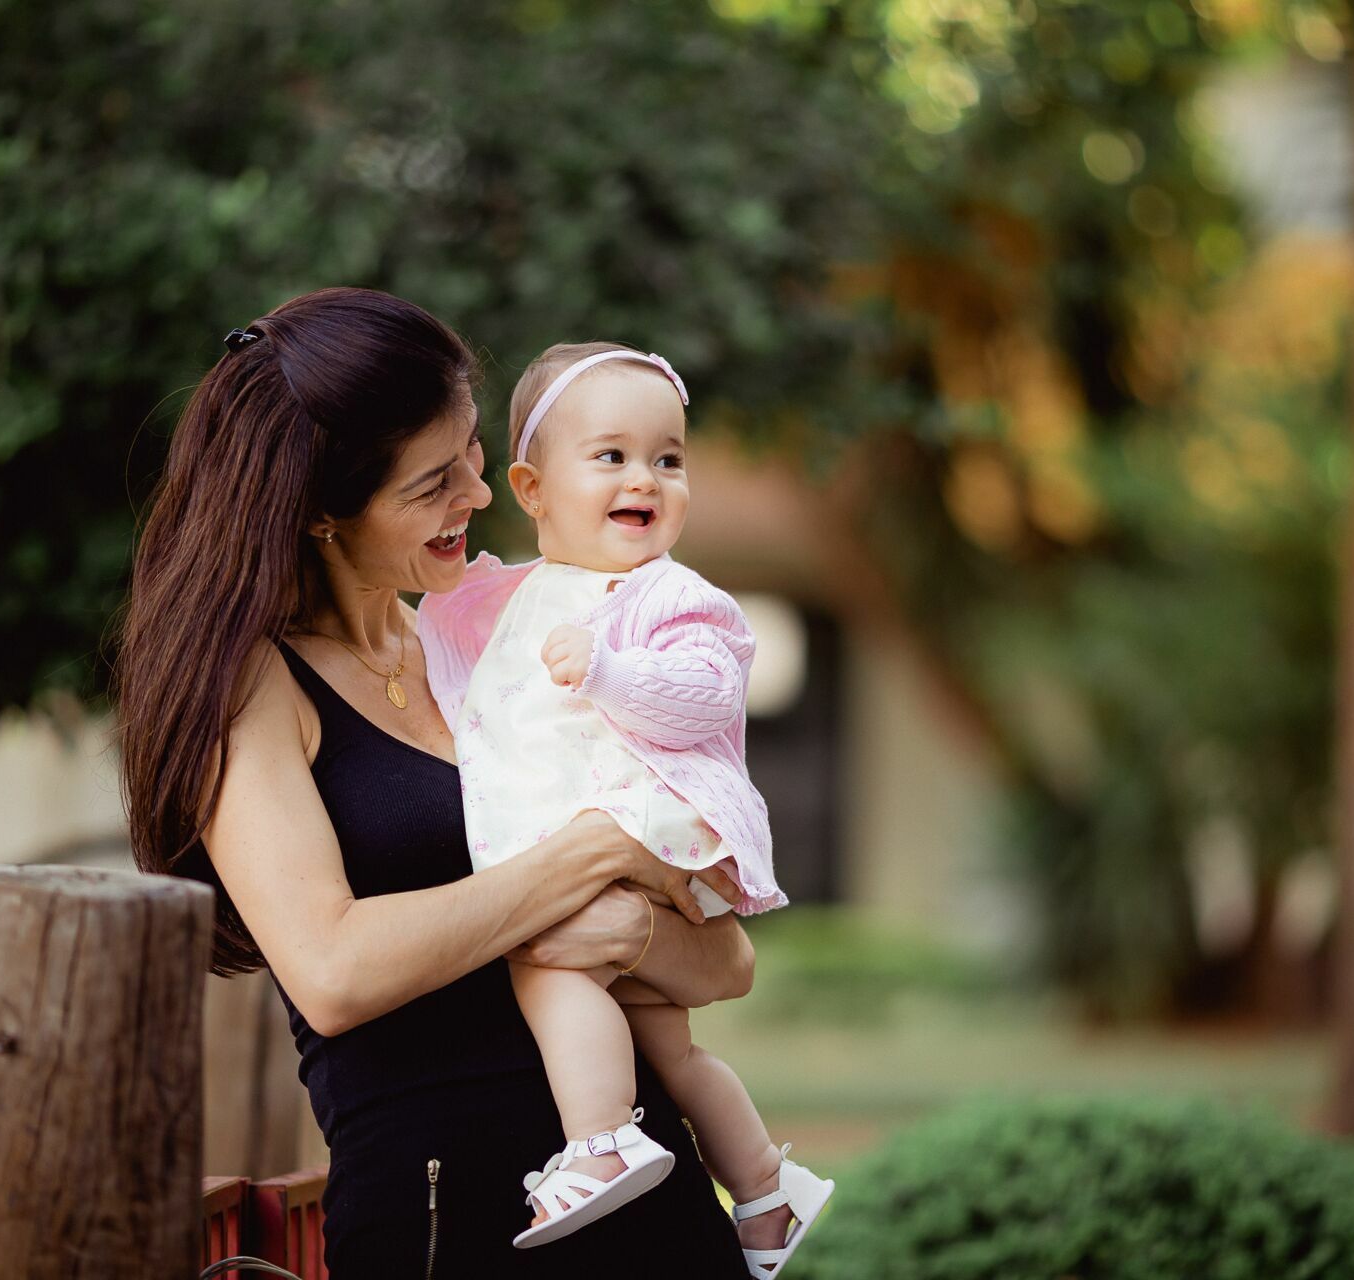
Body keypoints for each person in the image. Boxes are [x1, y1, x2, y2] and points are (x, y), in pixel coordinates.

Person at [116, 287, 751, 1277]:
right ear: (323, 512)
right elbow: (331, 971)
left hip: (650, 1191)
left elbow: (728, 963)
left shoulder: (494, 646)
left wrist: (638, 931)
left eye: (470, 454)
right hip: (446, 1213)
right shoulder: (252, 686)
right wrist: (587, 858)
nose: (481, 495)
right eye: (432, 483)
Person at [417, 343, 833, 1274]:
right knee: (672, 1054)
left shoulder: (670, 595)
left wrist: (610, 669)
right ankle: (766, 1193)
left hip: (651, 818)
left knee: (545, 965)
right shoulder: (504, 596)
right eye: (611, 456)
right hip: (596, 836)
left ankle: (601, 1139)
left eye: (669, 458)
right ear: (530, 485)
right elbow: (446, 664)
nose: (645, 477)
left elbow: (708, 694)